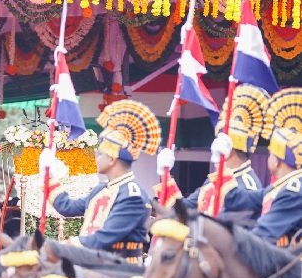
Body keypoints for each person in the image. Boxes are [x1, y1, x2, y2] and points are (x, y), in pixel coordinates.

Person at [42, 99, 161, 263]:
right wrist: (48, 176)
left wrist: (62, 247)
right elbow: (68, 207)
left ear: (112, 159)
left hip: (119, 271)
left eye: (100, 154)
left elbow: (104, 238)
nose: (96, 158)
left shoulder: (132, 195)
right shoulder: (100, 190)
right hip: (96, 264)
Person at [156, 85, 268, 217]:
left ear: (229, 150)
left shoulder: (248, 185)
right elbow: (182, 212)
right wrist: (165, 175)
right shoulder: (212, 181)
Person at [215, 88, 302, 247]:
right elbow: (238, 199)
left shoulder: (293, 190)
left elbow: (264, 234)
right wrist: (219, 163)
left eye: (270, 154)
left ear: (277, 161)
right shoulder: (279, 188)